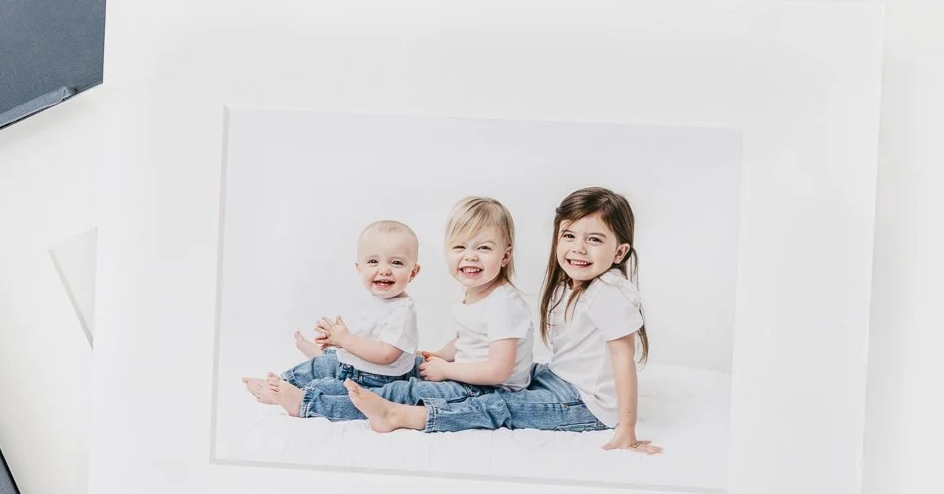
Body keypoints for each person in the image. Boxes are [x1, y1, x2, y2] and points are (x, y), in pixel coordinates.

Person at [345, 187, 660, 454]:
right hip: (561, 379)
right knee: (509, 381)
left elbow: (623, 360)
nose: (577, 248)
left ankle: (402, 416)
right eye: (569, 235)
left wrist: (627, 428)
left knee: (499, 407)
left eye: (594, 240)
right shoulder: (575, 284)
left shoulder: (610, 293)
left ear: (619, 253)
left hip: (587, 404)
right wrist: (444, 356)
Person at [267, 196, 533, 420]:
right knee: (416, 365)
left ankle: (309, 402)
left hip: (493, 390)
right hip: (471, 375)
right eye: (460, 246)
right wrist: (438, 355)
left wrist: (446, 370)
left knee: (402, 394)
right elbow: (471, 338)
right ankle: (316, 368)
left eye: (484, 247)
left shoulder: (503, 304)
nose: (470, 255)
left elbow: (499, 371)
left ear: (505, 256)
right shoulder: (477, 294)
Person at [243, 220, 420, 405]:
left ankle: (281, 393)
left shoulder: (402, 311)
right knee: (319, 365)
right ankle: (286, 379)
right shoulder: (377, 298)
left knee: (329, 388)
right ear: (359, 268)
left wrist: (345, 340)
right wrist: (337, 341)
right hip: (359, 366)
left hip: (376, 378)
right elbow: (368, 339)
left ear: (413, 272)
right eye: (373, 261)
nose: (384, 270)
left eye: (397, 263)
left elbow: (386, 354)